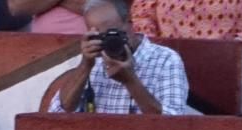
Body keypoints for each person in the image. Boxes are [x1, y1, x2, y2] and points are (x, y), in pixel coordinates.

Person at [41, 0, 188, 115]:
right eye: (102, 36)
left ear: (130, 23)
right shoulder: (92, 61)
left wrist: (130, 81)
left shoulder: (165, 60)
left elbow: (172, 124)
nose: (110, 41)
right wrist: (85, 66)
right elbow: (57, 113)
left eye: (114, 33)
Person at [130, 0, 242, 41]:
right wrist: (156, 50)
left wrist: (234, 45)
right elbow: (141, 19)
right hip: (167, 67)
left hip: (228, 65)